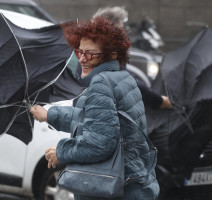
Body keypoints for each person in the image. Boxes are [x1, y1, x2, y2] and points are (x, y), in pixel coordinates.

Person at [30, 17, 159, 199]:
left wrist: (62, 151)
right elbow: (94, 121)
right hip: (134, 184)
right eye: (79, 52)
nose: (82, 59)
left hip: (114, 190)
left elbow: (99, 143)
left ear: (111, 55)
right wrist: (49, 114)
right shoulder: (122, 78)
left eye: (90, 54)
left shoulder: (101, 84)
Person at [93, 6, 172, 109]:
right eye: (121, 27)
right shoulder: (109, 51)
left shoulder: (91, 47)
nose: (124, 32)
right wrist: (159, 101)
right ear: (112, 29)